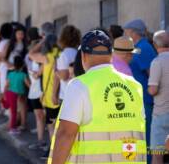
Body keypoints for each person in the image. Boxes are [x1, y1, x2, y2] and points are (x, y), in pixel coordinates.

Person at [49, 29, 147, 164]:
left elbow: (66, 133)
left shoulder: (79, 85)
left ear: (83, 56)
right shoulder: (135, 85)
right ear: (111, 54)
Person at [123, 18, 157, 162]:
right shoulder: (137, 47)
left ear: (133, 32)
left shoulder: (143, 48)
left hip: (145, 101)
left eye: (127, 31)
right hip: (136, 101)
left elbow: (152, 74)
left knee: (146, 137)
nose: (125, 34)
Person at [29, 33, 60, 159]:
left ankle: (53, 151)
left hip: (51, 97)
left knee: (51, 126)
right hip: (62, 95)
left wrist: (42, 41)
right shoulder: (61, 54)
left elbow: (31, 53)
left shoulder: (47, 57)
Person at [147, 30, 169, 164]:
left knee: (157, 154)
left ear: (155, 45)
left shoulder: (157, 62)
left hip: (160, 114)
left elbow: (153, 90)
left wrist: (148, 89)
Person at [25, 27, 46, 150]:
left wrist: (38, 73)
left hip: (43, 90)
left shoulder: (42, 59)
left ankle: (46, 143)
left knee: (45, 117)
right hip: (34, 90)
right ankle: (40, 141)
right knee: (39, 116)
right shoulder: (29, 58)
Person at [53, 25, 80, 105]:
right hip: (77, 93)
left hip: (66, 95)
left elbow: (64, 76)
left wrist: (55, 71)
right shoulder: (78, 53)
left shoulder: (64, 54)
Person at [3, 56, 30, 135]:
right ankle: (12, 128)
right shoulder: (23, 75)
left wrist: (4, 95)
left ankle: (12, 126)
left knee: (12, 111)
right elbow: (29, 85)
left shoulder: (10, 74)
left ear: (14, 65)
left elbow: (6, 85)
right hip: (17, 95)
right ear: (22, 65)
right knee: (14, 112)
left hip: (9, 93)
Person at [0, 23, 13, 114]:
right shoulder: (13, 41)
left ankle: (7, 111)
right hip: (11, 67)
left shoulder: (3, 43)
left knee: (4, 90)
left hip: (4, 68)